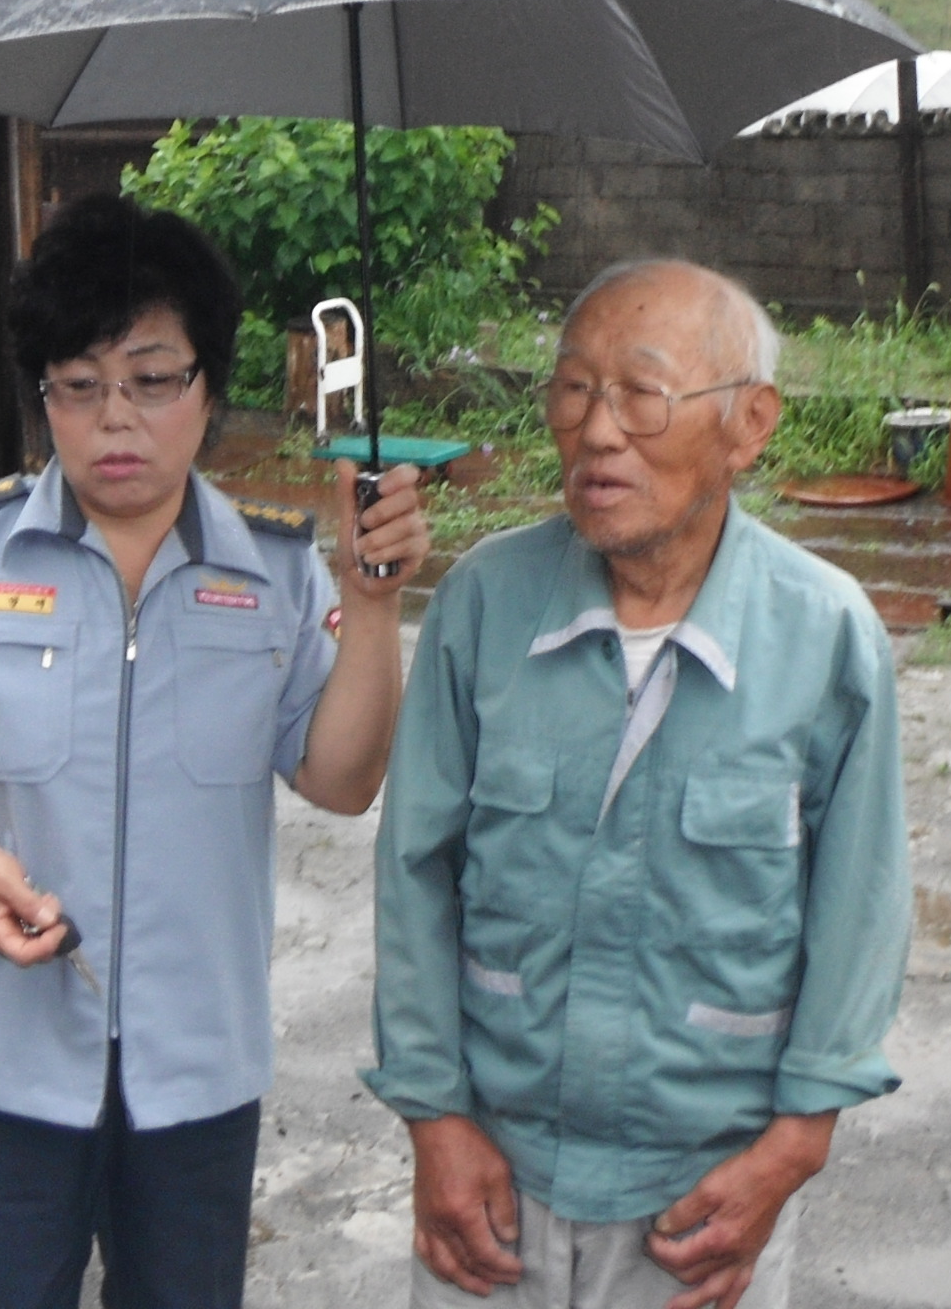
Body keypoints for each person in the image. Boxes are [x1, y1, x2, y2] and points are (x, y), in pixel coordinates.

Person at [0, 194, 428, 1309]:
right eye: (79, 386)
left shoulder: (276, 574)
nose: (115, 420)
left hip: (195, 1083)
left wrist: (372, 604)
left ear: (210, 389)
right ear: (41, 394)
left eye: (152, 380)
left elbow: (341, 782)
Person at [366, 259, 910, 1309]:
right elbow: (415, 873)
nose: (598, 431)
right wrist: (433, 1119)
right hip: (495, 1181)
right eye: (574, 389)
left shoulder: (824, 634)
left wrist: (794, 1147)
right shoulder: (485, 604)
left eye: (642, 394)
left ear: (750, 424)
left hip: (702, 1194)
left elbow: (861, 908)